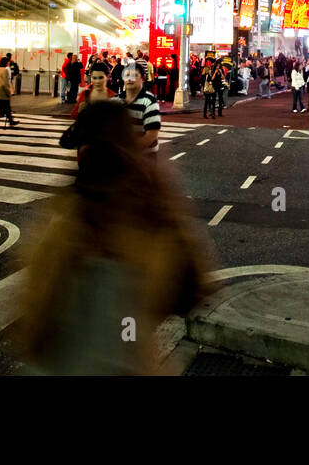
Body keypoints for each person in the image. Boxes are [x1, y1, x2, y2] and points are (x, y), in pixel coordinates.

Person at [16, 100, 217, 374]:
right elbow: (191, 288)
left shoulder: (72, 220)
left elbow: (34, 324)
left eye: (83, 147)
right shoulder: (148, 217)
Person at [121, 65, 161, 155]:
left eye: (134, 76)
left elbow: (151, 135)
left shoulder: (149, 102)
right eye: (127, 76)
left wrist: (130, 150)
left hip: (145, 156)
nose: (130, 79)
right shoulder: (115, 101)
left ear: (142, 79)